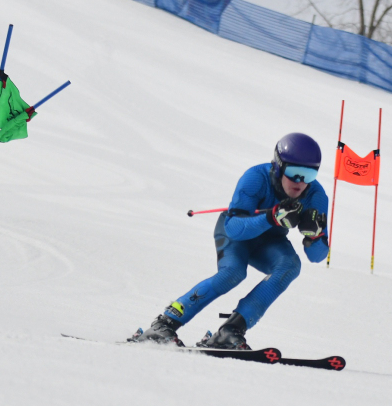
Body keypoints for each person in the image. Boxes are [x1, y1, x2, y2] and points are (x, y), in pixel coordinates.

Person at [130, 133, 330, 349]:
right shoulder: (256, 177)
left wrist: (315, 236)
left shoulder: (316, 196)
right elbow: (234, 229)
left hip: (270, 241)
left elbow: (317, 256)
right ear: (279, 166)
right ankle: (164, 323)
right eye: (294, 172)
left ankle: (230, 331)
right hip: (235, 234)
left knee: (290, 266)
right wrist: (270, 218)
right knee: (233, 273)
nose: (300, 182)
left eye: (309, 174)